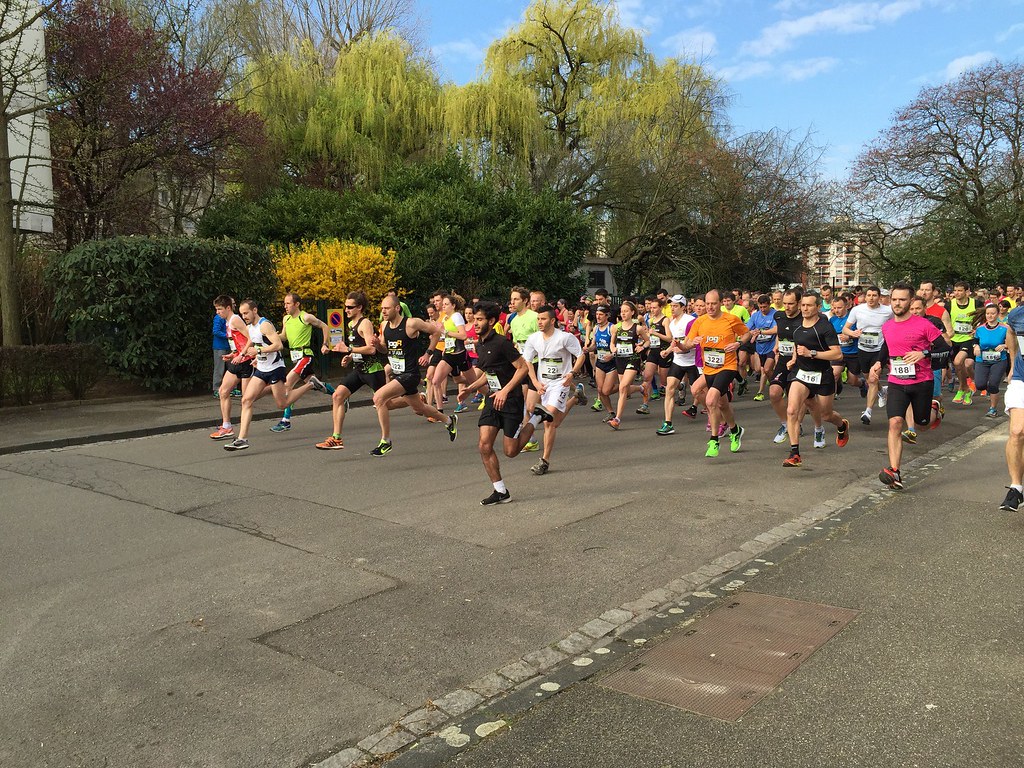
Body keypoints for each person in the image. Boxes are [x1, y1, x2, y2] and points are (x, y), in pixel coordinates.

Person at [335, 295, 456, 455]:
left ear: (397, 308)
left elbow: (435, 332)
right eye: (382, 308)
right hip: (398, 374)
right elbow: (385, 349)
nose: (383, 311)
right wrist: (379, 345)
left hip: (410, 374)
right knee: (420, 408)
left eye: (387, 308)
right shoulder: (384, 325)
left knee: (379, 398)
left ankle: (386, 441)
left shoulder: (411, 323)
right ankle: (449, 420)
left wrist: (428, 353)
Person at [869, 283, 943, 490]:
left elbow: (945, 348)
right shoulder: (887, 326)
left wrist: (924, 353)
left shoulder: (924, 325)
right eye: (894, 299)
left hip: (922, 381)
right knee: (895, 423)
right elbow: (887, 346)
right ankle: (895, 471)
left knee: (922, 425)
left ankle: (935, 409)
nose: (897, 303)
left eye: (902, 300)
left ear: (910, 302)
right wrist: (878, 362)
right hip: (896, 382)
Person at [463, 301, 534, 505]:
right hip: (492, 400)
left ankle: (536, 418)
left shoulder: (502, 343)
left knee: (510, 452)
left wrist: (505, 390)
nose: (475, 323)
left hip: (511, 400)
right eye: (474, 319)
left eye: (479, 320)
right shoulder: (480, 343)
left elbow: (523, 368)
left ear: (491, 321)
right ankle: (500, 490)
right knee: (484, 445)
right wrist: (471, 387)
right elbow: (489, 372)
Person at [314, 291, 396, 453]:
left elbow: (372, 349)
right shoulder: (351, 324)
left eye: (350, 307)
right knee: (337, 395)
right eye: (345, 307)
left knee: (388, 403)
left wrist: (349, 349)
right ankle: (336, 438)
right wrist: (350, 357)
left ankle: (414, 400)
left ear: (359, 307)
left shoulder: (365, 323)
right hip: (359, 370)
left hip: (373, 370)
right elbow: (360, 348)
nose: (346, 310)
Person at [781, 293, 850, 467]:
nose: (805, 308)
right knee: (791, 411)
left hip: (822, 375)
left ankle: (842, 426)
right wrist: (794, 359)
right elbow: (798, 346)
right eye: (803, 305)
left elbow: (837, 353)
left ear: (818, 307)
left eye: (809, 305)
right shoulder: (796, 326)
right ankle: (795, 453)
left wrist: (813, 353)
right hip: (802, 374)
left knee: (826, 415)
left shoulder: (825, 327)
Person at [518, 305, 587, 475]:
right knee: (554, 422)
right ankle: (576, 399)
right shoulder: (534, 339)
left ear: (553, 320)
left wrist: (572, 373)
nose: (539, 322)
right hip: (543, 383)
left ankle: (544, 461)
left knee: (548, 418)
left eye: (543, 319)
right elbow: (527, 361)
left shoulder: (565, 337)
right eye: (538, 319)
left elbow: (581, 356)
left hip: (561, 383)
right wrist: (535, 381)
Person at [682, 289, 750, 458]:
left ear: (720, 303)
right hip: (709, 368)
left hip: (727, 366)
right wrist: (688, 344)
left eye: (713, 303)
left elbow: (747, 333)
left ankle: (714, 440)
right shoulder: (700, 321)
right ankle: (735, 430)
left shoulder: (731, 319)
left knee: (712, 399)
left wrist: (738, 343)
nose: (710, 307)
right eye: (707, 304)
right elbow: (686, 344)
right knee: (709, 397)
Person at [223, 299, 290, 452]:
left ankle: (310, 384)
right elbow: (251, 343)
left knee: (282, 404)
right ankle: (242, 439)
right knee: (246, 399)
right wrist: (241, 355)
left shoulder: (264, 325)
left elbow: (278, 345)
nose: (244, 316)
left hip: (275, 368)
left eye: (246, 313)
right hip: (262, 368)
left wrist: (259, 352)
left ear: (254, 310)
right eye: (242, 314)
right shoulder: (250, 327)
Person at [269, 292, 334, 432]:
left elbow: (325, 326)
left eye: (288, 303)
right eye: (284, 303)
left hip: (306, 355)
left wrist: (325, 344)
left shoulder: (305, 317)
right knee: (316, 384)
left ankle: (285, 420)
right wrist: (271, 336)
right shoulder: (286, 319)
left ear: (297, 304)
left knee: (288, 383)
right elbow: (284, 337)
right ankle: (338, 395)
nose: (285, 306)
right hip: (295, 357)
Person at [842, 286, 893, 425]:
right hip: (863, 349)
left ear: (879, 297)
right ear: (865, 297)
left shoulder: (887, 311)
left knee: (872, 379)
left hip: (879, 350)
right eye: (869, 295)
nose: (871, 298)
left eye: (874, 295)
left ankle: (868, 412)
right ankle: (882, 391)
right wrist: (853, 334)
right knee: (868, 378)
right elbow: (845, 328)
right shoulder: (857, 310)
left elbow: (896, 324)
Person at [210, 295, 253, 440]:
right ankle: (227, 426)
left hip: (246, 362)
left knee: (246, 399)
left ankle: (242, 434)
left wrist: (241, 354)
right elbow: (238, 342)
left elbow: (251, 338)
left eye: (220, 309)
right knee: (223, 391)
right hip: (236, 360)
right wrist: (232, 354)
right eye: (216, 309)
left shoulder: (235, 320)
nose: (217, 312)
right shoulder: (228, 322)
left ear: (228, 308)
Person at [657, 294, 698, 435]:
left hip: (693, 362)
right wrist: (667, 351)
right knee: (669, 389)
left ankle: (716, 417)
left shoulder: (690, 321)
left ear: (683, 307)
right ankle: (668, 423)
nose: (672, 309)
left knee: (698, 392)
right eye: (671, 306)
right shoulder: (673, 323)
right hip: (678, 361)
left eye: (675, 306)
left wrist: (680, 348)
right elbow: (674, 342)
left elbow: (691, 344)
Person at [608, 300, 650, 430]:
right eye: (622, 311)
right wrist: (613, 348)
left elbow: (647, 341)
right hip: (620, 359)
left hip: (633, 358)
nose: (623, 313)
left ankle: (617, 419)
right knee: (624, 390)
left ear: (632, 312)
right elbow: (612, 343)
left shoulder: (637, 328)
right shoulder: (616, 327)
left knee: (624, 386)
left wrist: (642, 347)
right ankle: (641, 389)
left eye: (626, 311)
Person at [1000, 305, 1024, 510]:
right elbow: (1011, 331)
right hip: (1021, 379)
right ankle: (1016, 488)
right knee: (1017, 431)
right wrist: (1013, 362)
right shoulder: (1017, 314)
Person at [973, 303, 1010, 418]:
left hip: (999, 360)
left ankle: (992, 409)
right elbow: (974, 341)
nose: (990, 316)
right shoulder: (980, 329)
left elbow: (1012, 343)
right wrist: (976, 347)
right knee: (979, 385)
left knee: (993, 384)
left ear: (998, 314)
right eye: (988, 313)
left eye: (993, 313)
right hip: (982, 360)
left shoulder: (1005, 328)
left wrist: (1005, 345)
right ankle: (990, 390)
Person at [948, 281, 978, 405]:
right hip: (954, 339)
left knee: (959, 362)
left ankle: (964, 387)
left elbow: (983, 318)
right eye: (955, 290)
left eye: (960, 290)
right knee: (960, 366)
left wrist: (977, 328)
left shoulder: (975, 303)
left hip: (968, 339)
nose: (957, 293)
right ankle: (965, 386)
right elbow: (945, 320)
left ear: (967, 291)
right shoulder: (949, 304)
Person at [746, 294, 777, 402]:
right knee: (759, 369)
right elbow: (747, 328)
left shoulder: (775, 314)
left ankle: (761, 392)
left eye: (765, 307)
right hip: (760, 347)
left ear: (769, 305)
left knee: (767, 369)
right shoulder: (755, 315)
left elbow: (775, 330)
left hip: (772, 346)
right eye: (761, 307)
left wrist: (761, 331)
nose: (763, 309)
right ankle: (776, 385)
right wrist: (751, 332)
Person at [212, 302, 230, 397]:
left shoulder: (230, 318)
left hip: (229, 346)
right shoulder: (219, 317)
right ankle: (216, 389)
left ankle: (231, 388)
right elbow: (216, 331)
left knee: (231, 368)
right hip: (220, 347)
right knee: (219, 368)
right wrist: (228, 336)